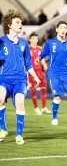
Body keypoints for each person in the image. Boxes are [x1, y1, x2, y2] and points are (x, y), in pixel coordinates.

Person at [0, 10, 41, 144]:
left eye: (21, 22)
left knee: (20, 103)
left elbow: (28, 64)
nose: (20, 24)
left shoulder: (24, 44)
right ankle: (3, 129)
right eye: (17, 22)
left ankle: (19, 135)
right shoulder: (1, 42)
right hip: (4, 79)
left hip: (19, 80)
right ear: (9, 25)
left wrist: (35, 77)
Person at [35, 21, 67, 126]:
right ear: (56, 29)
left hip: (66, 73)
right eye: (61, 28)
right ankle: (54, 118)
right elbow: (44, 53)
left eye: (65, 28)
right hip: (54, 73)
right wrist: (39, 58)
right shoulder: (50, 42)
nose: (63, 30)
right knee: (57, 97)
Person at [28, 33, 51, 115]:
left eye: (36, 38)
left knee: (44, 87)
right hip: (31, 71)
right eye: (33, 38)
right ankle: (36, 108)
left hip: (39, 71)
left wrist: (44, 65)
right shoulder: (27, 49)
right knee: (33, 89)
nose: (34, 40)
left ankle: (44, 107)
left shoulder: (40, 49)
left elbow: (42, 59)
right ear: (30, 40)